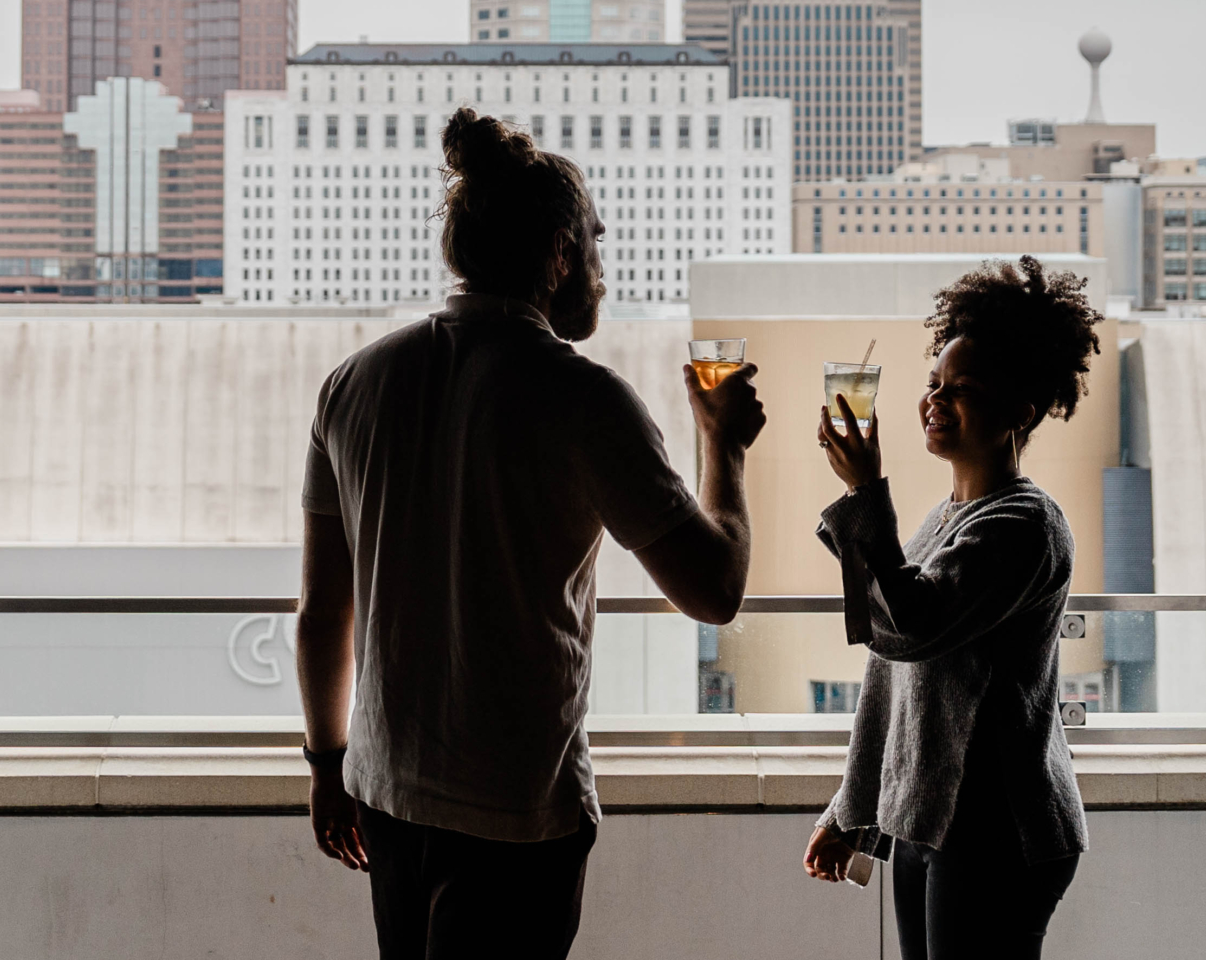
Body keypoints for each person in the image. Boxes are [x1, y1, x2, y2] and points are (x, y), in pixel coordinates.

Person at [291, 107, 769, 960]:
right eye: (595, 243)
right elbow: (716, 591)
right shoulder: (586, 400)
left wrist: (327, 768)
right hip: (514, 812)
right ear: (556, 254)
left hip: (385, 795)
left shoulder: (353, 384)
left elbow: (324, 613)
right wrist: (724, 445)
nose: (602, 269)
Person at [800, 255, 1104, 960]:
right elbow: (892, 676)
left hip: (1000, 830)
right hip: (931, 820)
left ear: (1020, 411)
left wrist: (866, 492)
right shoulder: (947, 517)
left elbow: (914, 628)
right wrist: (851, 812)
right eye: (934, 383)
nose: (936, 399)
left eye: (963, 388)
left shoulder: (1025, 525)